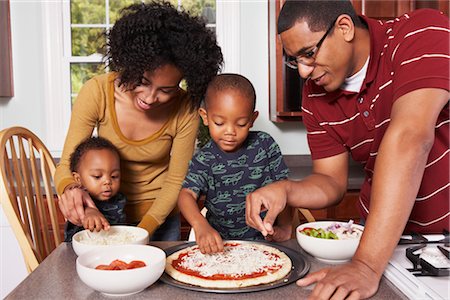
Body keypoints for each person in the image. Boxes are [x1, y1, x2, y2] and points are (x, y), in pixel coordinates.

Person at [246, 1, 449, 299]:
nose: (303, 72)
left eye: (309, 54)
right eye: (294, 60)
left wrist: (366, 265)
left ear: (344, 28)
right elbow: (330, 182)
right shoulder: (314, 95)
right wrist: (286, 191)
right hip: (380, 243)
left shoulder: (421, 32)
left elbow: (410, 137)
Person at [55, 1, 223, 241]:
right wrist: (69, 189)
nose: (150, 98)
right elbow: (66, 166)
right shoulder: (97, 92)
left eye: (166, 89)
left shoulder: (185, 108)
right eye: (143, 82)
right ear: (130, 63)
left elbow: (176, 180)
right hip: (103, 215)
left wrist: (141, 233)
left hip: (159, 218)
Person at [178, 73, 293, 254]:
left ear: (252, 120)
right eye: (219, 123)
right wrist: (201, 226)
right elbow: (186, 195)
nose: (230, 131)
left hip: (265, 243)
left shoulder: (265, 145)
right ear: (205, 117)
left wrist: (286, 227)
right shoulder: (204, 159)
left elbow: (285, 188)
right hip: (223, 246)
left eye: (241, 123)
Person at [64, 137, 126, 242]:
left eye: (114, 176)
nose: (107, 181)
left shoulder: (120, 198)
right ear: (78, 179)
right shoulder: (78, 199)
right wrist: (88, 211)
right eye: (97, 176)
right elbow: (78, 211)